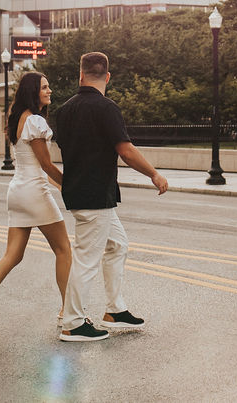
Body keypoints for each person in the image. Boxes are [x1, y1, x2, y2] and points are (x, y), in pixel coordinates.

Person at [55, 52, 168, 342]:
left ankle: (115, 311)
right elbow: (126, 150)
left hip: (83, 193)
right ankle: (72, 323)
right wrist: (154, 174)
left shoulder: (64, 110)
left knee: (118, 245)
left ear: (80, 75)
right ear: (107, 77)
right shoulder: (107, 108)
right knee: (86, 259)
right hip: (95, 195)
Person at [0, 72, 72, 336]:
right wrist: (71, 187)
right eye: (44, 87)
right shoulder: (35, 121)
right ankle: (69, 312)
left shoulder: (19, 119)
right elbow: (46, 165)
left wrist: (61, 187)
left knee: (12, 255)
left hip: (18, 192)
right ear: (33, 92)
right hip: (34, 193)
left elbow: (37, 166)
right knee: (64, 250)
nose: (50, 91)